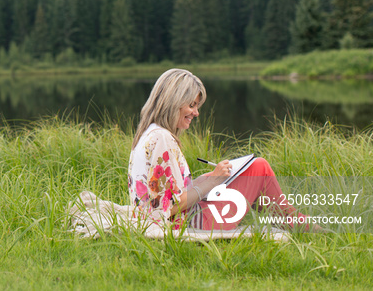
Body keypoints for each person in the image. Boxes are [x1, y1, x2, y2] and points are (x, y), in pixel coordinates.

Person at [128, 68, 308, 231]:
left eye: (197, 106)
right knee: (259, 168)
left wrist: (206, 180)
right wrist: (212, 182)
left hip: (170, 218)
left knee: (243, 173)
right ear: (172, 102)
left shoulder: (149, 133)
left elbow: (164, 195)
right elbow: (169, 207)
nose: (196, 113)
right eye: (192, 105)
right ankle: (297, 222)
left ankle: (288, 219)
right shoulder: (163, 138)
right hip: (188, 222)